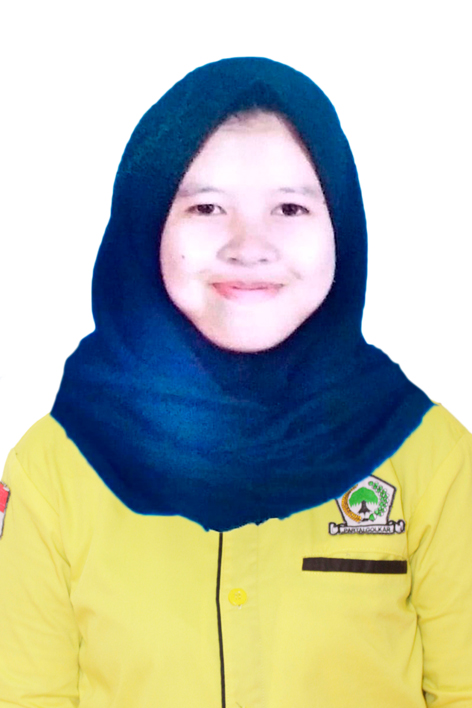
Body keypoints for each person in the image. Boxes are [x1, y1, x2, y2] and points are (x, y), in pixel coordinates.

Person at [0, 56, 471, 707]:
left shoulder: (429, 459)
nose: (249, 246)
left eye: (289, 207)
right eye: (207, 207)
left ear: (341, 226)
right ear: (147, 223)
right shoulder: (56, 470)